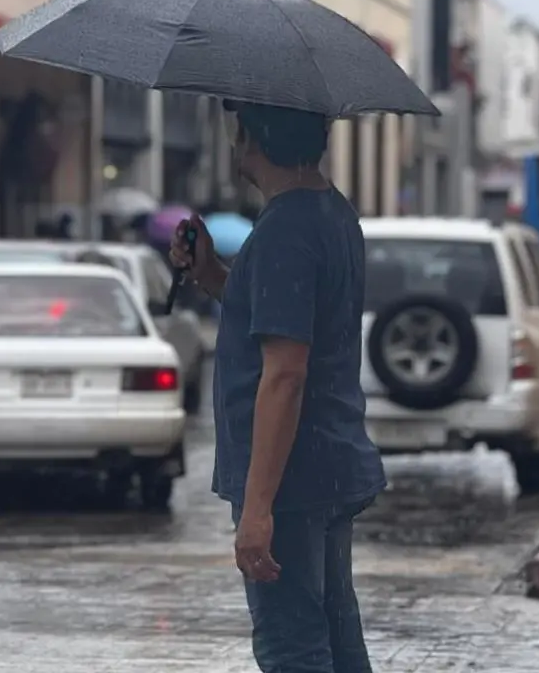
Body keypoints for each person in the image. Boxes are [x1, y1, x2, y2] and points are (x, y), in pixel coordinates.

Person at [170, 100, 386, 673]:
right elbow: (274, 312)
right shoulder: (329, 213)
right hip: (327, 462)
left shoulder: (285, 232)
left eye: (235, 124)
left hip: (290, 476)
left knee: (291, 645)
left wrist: (258, 509)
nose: (231, 137)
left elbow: (285, 373)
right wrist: (211, 273)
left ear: (253, 135)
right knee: (335, 633)